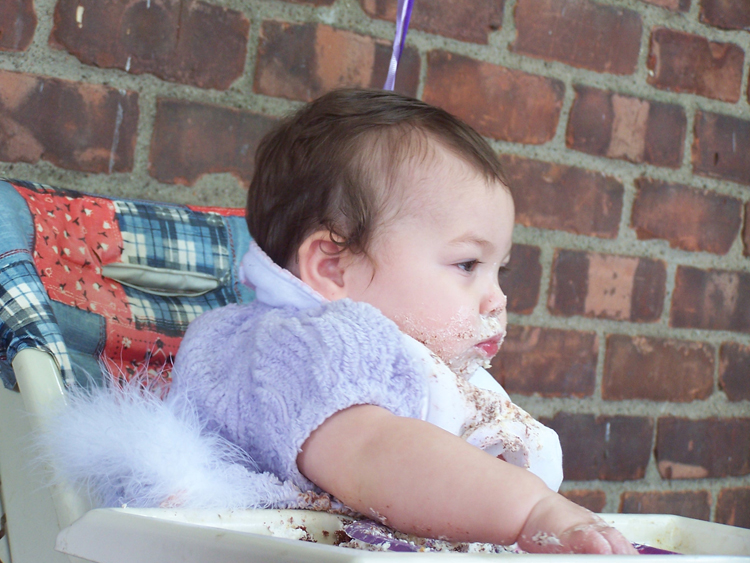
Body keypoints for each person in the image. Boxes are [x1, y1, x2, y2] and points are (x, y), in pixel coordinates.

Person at [170, 88, 636, 554]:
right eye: (468, 265)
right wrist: (531, 512)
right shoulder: (300, 349)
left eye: (501, 270)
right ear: (334, 267)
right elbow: (373, 454)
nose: (497, 299)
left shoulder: (408, 358)